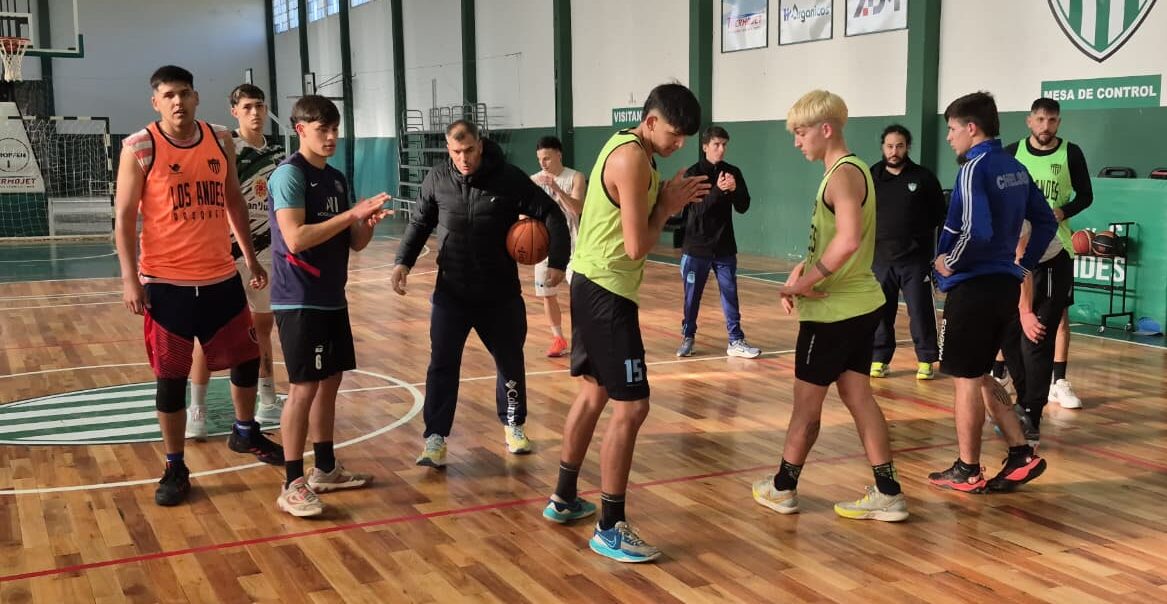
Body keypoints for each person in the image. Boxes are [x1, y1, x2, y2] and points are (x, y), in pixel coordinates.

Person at [542, 83, 710, 563]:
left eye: (685, 138)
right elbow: (637, 247)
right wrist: (669, 206)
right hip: (607, 292)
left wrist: (665, 200)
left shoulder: (633, 149)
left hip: (592, 284)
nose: (679, 144)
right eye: (674, 134)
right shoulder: (633, 159)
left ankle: (564, 497)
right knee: (633, 408)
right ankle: (610, 527)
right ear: (651, 121)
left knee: (594, 393)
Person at [113, 65, 283, 507]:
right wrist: (130, 279)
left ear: (196, 97)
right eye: (169, 95)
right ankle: (175, 464)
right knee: (171, 379)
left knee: (247, 358)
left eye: (185, 93)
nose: (178, 102)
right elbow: (124, 218)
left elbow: (233, 201)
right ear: (156, 102)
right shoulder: (140, 146)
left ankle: (245, 432)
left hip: (221, 276)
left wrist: (249, 258)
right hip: (166, 283)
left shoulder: (220, 139)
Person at [750, 90, 908, 523]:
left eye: (801, 133)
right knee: (859, 396)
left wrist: (805, 283)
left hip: (834, 314)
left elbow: (849, 240)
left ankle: (783, 487)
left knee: (806, 407)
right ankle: (888, 492)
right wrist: (803, 267)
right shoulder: (853, 172)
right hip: (860, 305)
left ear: (825, 129)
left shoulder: (841, 176)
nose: (796, 142)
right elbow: (833, 240)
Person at [392, 120, 570, 467]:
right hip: (451, 292)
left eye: (469, 150)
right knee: (442, 364)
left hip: (499, 293)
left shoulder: (508, 178)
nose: (464, 158)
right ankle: (435, 438)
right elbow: (420, 222)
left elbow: (551, 213)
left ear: (481, 145)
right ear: (448, 149)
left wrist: (558, 261)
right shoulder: (437, 179)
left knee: (510, 362)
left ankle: (514, 425)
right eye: (457, 152)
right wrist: (403, 262)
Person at [928, 91, 1056, 494]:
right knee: (982, 374)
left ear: (971, 128)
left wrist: (948, 262)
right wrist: (1023, 265)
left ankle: (967, 469)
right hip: (1003, 287)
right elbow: (1046, 222)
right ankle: (1020, 454)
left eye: (952, 129)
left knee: (965, 379)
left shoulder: (974, 168)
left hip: (974, 287)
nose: (949, 137)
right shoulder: (1016, 167)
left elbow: (975, 231)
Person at [268, 95, 390, 517]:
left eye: (336, 129)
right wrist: (351, 214)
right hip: (298, 298)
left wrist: (365, 224)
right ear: (301, 130)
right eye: (323, 130)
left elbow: (353, 243)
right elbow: (295, 238)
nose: (332, 137)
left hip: (331, 296)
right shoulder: (290, 175)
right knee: (304, 386)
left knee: (330, 380)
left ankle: (324, 468)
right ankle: (291, 482)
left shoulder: (335, 179)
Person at [186, 84, 286, 440]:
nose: (255, 113)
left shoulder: (278, 154)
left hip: (266, 252)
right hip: (225, 254)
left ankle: (268, 399)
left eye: (259, 105)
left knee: (262, 328)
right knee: (208, 334)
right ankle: (196, 410)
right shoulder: (225, 148)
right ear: (234, 111)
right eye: (247, 107)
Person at [1000, 97, 1093, 411]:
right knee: (1011, 312)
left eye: (1052, 120)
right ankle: (1002, 374)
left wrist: (1063, 211)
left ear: (1059, 122)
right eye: (1040, 119)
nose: (1046, 126)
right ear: (1029, 121)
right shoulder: (1012, 152)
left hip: (1056, 247)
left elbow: (1086, 196)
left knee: (1057, 317)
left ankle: (1058, 381)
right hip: (1018, 246)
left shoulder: (1071, 152)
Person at [868, 124, 946, 380]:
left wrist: (936, 252)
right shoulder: (871, 176)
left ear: (907, 147)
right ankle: (879, 358)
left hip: (915, 260)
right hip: (880, 259)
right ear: (883, 147)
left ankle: (926, 360)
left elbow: (940, 215)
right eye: (890, 146)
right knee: (880, 312)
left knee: (920, 312)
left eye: (899, 146)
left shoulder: (923, 177)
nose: (894, 151)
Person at [675, 126, 760, 359]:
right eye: (716, 145)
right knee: (692, 297)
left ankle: (736, 340)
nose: (721, 149)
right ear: (705, 147)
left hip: (724, 246)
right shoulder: (692, 174)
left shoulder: (733, 172)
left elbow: (743, 206)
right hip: (696, 247)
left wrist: (734, 189)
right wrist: (718, 190)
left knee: (730, 295)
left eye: (724, 145)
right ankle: (688, 337)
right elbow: (696, 211)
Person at [530, 136, 585, 358]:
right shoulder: (533, 181)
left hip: (573, 246)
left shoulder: (575, 177)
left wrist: (556, 190)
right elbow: (524, 214)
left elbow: (577, 209)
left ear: (559, 155)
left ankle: (583, 338)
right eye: (539, 159)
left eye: (547, 158)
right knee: (547, 293)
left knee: (579, 294)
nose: (542, 163)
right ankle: (558, 338)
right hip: (543, 246)